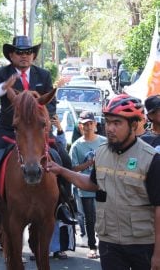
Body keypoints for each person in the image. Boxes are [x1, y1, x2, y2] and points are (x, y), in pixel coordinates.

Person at [46, 94, 160, 270]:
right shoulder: (101, 153)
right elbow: (92, 184)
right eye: (108, 122)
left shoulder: (151, 159)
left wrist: (158, 255)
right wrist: (61, 171)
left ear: (134, 125)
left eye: (117, 123)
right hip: (109, 243)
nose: (110, 128)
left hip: (142, 245)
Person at [0, 36, 56, 216]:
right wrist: (5, 86)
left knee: (63, 156)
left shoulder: (43, 75)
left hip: (36, 132)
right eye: (19, 52)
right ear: (11, 55)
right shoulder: (2, 73)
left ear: (33, 55)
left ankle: (65, 203)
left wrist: (44, 121)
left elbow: (51, 105)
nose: (24, 56)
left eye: (28, 52)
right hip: (8, 131)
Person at [69, 111, 107, 259]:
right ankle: (92, 247)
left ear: (95, 124)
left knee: (104, 217)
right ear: (80, 126)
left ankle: (105, 246)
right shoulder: (77, 146)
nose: (88, 127)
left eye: (90, 123)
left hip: (103, 185)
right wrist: (89, 163)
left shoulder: (104, 142)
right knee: (89, 219)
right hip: (85, 188)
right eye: (85, 124)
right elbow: (73, 169)